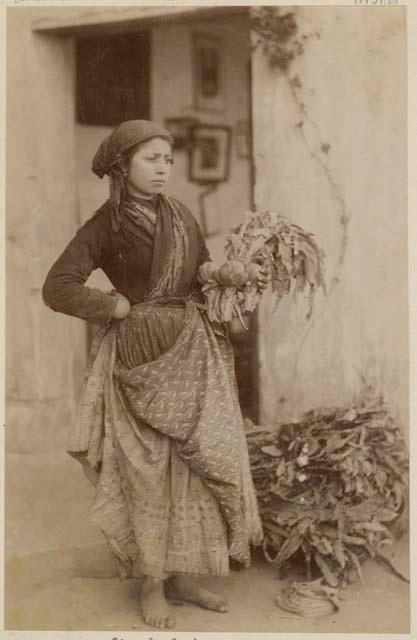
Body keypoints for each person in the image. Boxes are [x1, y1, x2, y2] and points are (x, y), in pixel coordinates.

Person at [42, 120, 268, 630]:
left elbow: (201, 268)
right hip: (140, 359)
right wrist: (112, 306)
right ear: (122, 166)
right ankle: (151, 583)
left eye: (168, 158)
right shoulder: (106, 225)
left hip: (191, 353)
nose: (164, 167)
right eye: (152, 159)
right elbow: (57, 286)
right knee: (146, 470)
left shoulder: (180, 214)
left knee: (193, 466)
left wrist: (225, 274)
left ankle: (184, 574)